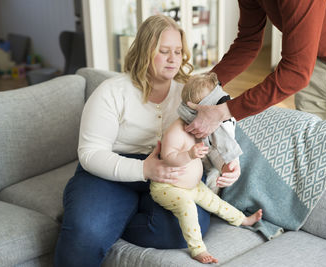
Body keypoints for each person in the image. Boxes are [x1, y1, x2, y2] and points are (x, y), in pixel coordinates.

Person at [54, 15, 240, 267]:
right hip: (108, 172)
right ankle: (88, 217)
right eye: (164, 51)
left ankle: (100, 217)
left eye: (178, 51)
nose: (174, 59)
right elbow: (90, 154)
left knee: (181, 229)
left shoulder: (188, 96)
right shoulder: (111, 92)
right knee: (87, 231)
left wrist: (229, 163)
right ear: (144, 51)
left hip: (167, 179)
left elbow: (214, 133)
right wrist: (145, 169)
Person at [185, 0, 326, 138]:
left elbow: (295, 74)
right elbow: (247, 42)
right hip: (315, 60)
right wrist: (204, 83)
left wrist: (224, 112)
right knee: (313, 144)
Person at [150, 72, 263, 264]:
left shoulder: (203, 129)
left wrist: (229, 164)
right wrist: (189, 155)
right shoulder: (176, 130)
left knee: (215, 202)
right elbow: (168, 159)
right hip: (168, 187)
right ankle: (197, 249)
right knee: (188, 207)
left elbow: (217, 149)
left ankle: (242, 219)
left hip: (193, 186)